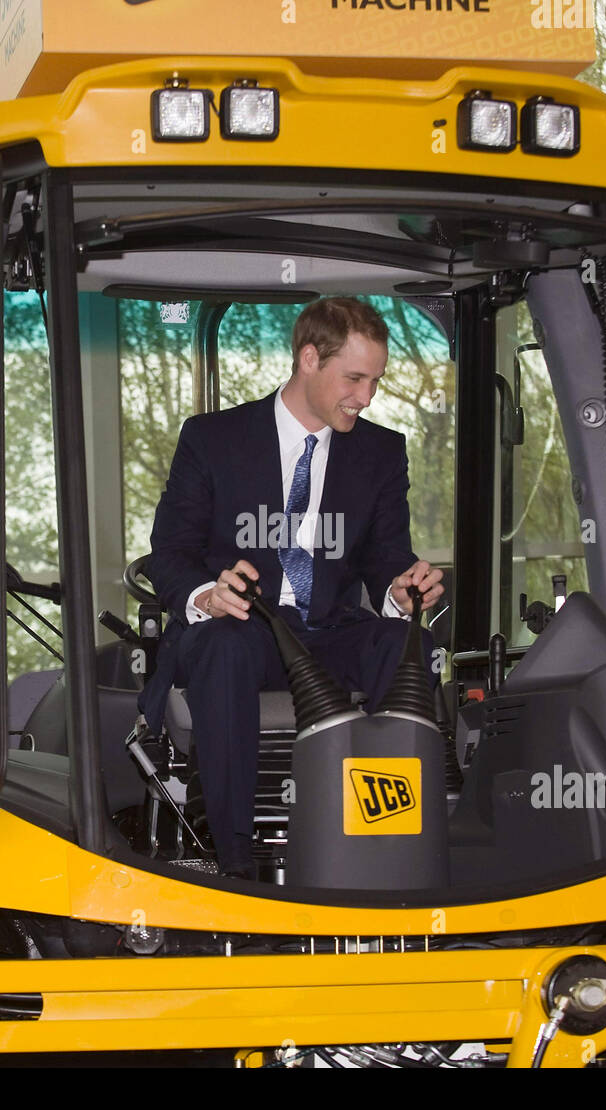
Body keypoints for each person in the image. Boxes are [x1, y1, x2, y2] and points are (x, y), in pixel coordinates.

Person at [140, 297, 444, 878]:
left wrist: (401, 591)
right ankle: (234, 866)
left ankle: (387, 850)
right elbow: (169, 553)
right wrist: (207, 595)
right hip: (243, 629)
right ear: (309, 358)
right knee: (225, 646)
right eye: (354, 378)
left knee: (408, 649)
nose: (367, 396)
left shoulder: (382, 452)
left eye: (376, 380)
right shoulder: (212, 439)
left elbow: (386, 557)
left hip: (328, 634)